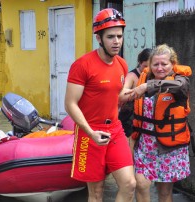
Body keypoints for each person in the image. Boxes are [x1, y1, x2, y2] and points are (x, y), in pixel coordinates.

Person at [65, 8, 136, 202]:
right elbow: (70, 104)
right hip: (90, 132)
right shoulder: (82, 65)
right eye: (111, 37)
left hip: (114, 129)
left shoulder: (121, 64)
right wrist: (90, 132)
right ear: (99, 38)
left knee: (129, 184)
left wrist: (135, 92)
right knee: (96, 193)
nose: (117, 42)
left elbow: (115, 95)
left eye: (119, 36)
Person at [124, 44, 192, 202]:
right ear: (149, 65)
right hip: (145, 145)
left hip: (169, 147)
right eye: (155, 64)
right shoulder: (144, 78)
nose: (160, 68)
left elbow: (180, 87)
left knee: (164, 192)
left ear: (173, 64)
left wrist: (148, 86)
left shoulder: (179, 80)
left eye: (164, 64)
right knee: (140, 185)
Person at [119, 48, 152, 137]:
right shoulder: (132, 76)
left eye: (151, 67)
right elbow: (121, 94)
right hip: (129, 121)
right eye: (145, 66)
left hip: (146, 122)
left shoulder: (155, 76)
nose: (148, 70)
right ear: (140, 62)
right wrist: (137, 91)